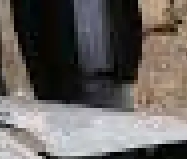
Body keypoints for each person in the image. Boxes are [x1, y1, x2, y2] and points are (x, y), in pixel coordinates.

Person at [10, 0, 143, 109]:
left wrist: (130, 68)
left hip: (115, 84)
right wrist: (44, 87)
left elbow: (130, 15)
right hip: (65, 88)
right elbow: (27, 26)